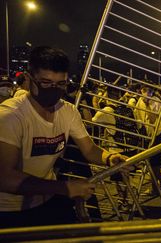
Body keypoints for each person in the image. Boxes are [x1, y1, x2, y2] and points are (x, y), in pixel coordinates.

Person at [0, 46, 130, 228]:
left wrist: (109, 158)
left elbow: (90, 149)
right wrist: (65, 188)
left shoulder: (67, 111)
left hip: (47, 199)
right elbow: (5, 177)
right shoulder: (11, 116)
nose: (54, 89)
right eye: (46, 82)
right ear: (29, 80)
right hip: (9, 211)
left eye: (61, 84)